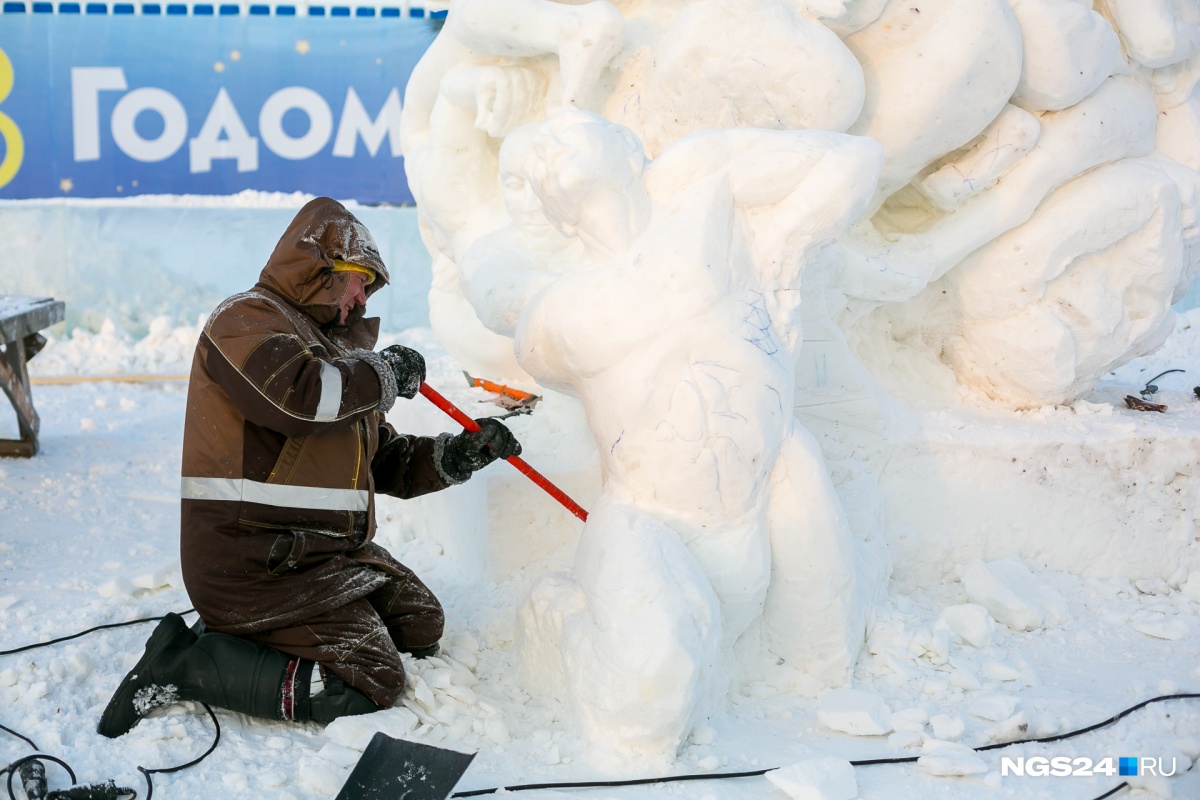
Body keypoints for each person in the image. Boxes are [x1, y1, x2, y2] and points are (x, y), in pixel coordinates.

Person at [97, 197, 521, 738]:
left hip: (319, 555)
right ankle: (182, 666)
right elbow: (298, 398)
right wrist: (380, 372)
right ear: (320, 270)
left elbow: (380, 461)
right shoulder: (245, 321)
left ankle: (252, 637)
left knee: (420, 624)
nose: (363, 296)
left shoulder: (333, 356)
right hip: (254, 562)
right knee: (372, 677)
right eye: (358, 280)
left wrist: (461, 454)